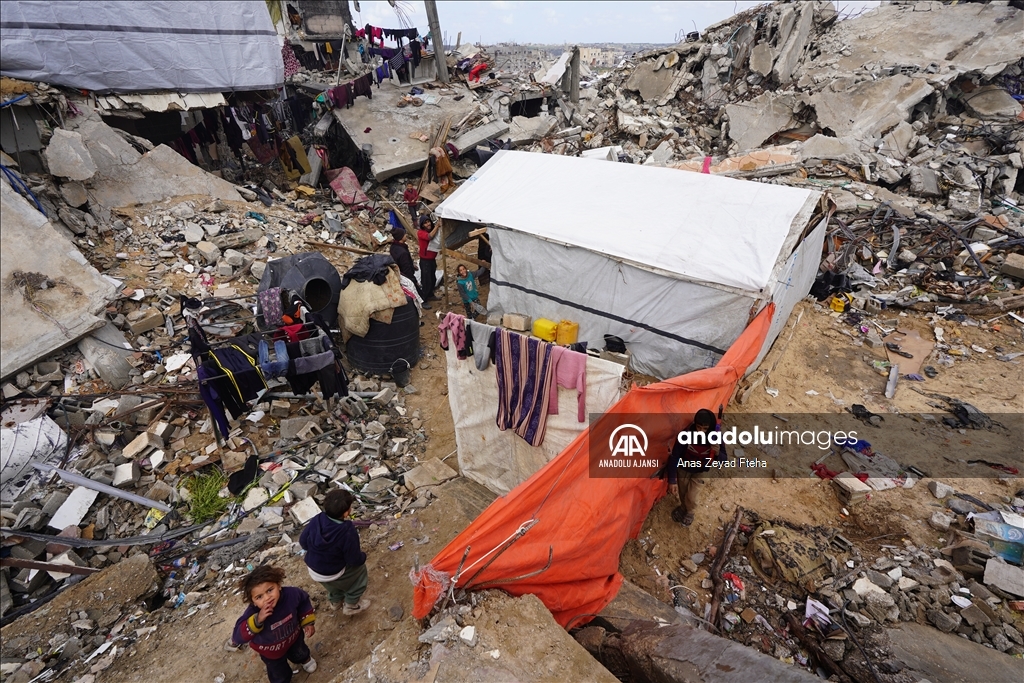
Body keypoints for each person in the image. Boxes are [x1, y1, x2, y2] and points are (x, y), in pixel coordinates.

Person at [232, 565, 317, 683]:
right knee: (278, 673)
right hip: (271, 652)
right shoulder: (253, 613)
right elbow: (237, 636)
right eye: (259, 597)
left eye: (270, 590)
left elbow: (303, 602)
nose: (267, 598)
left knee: (300, 651)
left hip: (293, 637)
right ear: (253, 602)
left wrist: (308, 622)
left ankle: (305, 660)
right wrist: (258, 619)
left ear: (279, 585)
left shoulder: (292, 594)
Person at [299, 489, 372, 615]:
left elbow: (303, 541)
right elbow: (353, 559)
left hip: (313, 568)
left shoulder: (318, 519)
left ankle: (335, 601)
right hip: (332, 571)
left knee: (331, 584)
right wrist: (363, 557)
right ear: (346, 513)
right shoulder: (347, 531)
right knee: (360, 571)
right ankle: (351, 604)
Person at [666, 409, 723, 527]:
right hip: (684, 468)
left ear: (711, 427)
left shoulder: (716, 438)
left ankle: (690, 512)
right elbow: (675, 456)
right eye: (698, 427)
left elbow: (723, 461)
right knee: (683, 492)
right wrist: (672, 480)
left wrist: (717, 453)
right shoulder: (685, 435)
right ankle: (683, 508)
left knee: (692, 496)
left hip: (701, 471)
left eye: (705, 429)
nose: (701, 431)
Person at [389, 227, 430, 309]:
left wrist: (412, 265)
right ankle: (422, 302)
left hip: (399, 272)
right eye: (404, 234)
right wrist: (413, 280)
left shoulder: (394, 247)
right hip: (405, 275)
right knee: (414, 288)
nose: (406, 235)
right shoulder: (402, 252)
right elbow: (406, 268)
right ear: (401, 237)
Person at [417, 215, 440, 302]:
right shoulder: (421, 232)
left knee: (432, 279)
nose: (428, 224)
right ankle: (424, 299)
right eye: (425, 223)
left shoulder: (432, 230)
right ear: (422, 225)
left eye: (428, 222)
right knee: (426, 281)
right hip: (425, 261)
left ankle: (430, 294)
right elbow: (429, 237)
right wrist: (437, 226)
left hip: (431, 260)